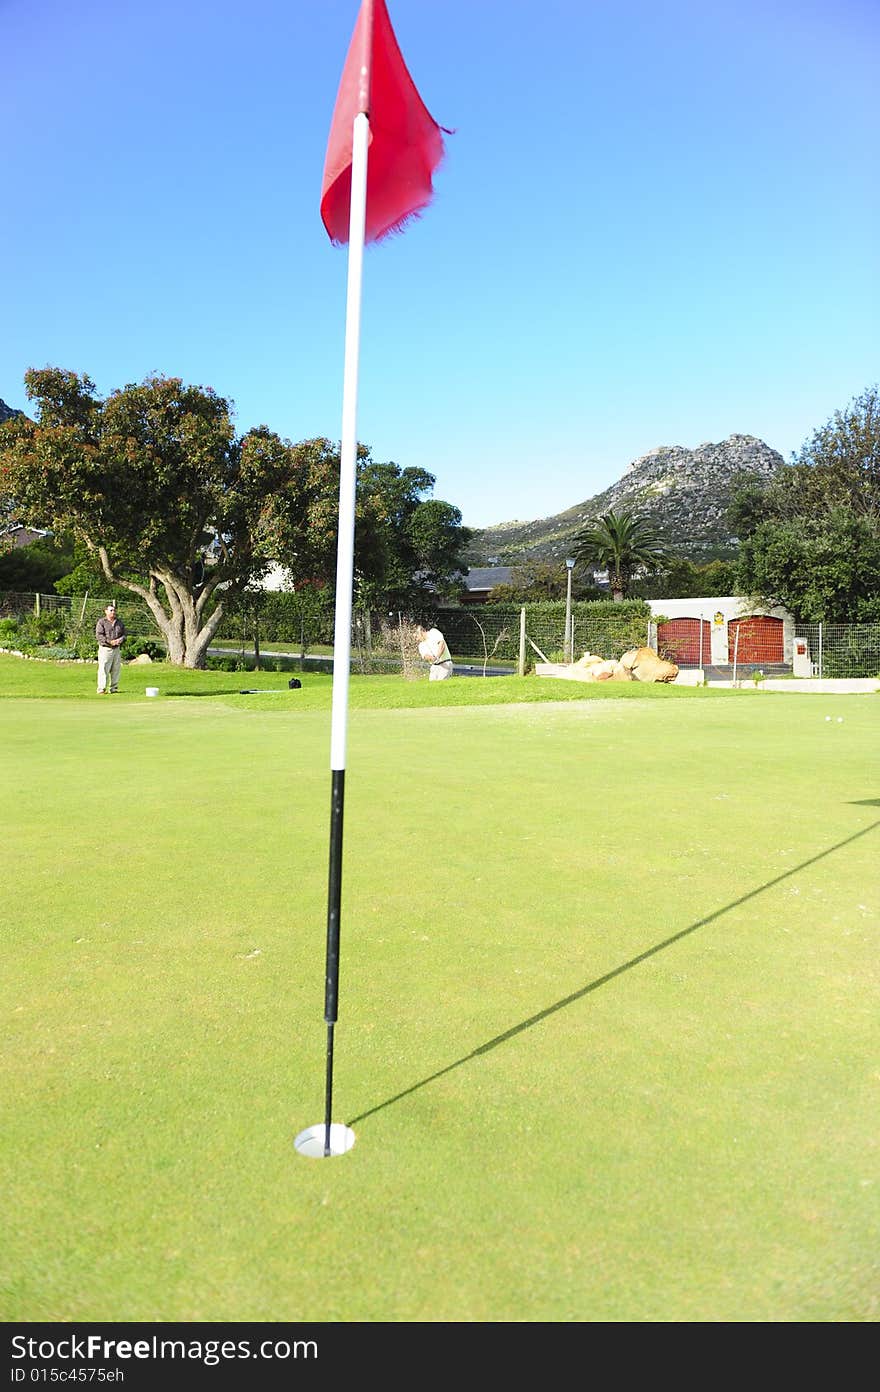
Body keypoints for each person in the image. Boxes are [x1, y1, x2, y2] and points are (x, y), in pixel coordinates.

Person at [95, 601, 126, 694]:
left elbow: (124, 634)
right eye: (111, 610)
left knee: (116, 669)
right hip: (105, 649)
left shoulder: (119, 622)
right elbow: (99, 635)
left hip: (116, 649)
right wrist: (110, 642)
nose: (113, 612)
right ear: (106, 611)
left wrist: (119, 640)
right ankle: (101, 689)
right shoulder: (101, 622)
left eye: (114, 610)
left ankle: (114, 688)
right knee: (104, 668)